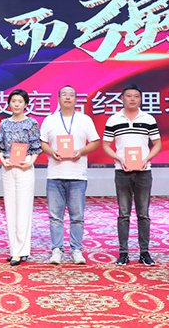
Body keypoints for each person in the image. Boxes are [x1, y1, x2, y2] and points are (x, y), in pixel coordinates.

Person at [101, 84, 161, 266]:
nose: (132, 99)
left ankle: (144, 252)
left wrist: (146, 159)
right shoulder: (113, 120)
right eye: (129, 96)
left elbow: (157, 144)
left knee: (143, 214)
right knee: (123, 214)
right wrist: (119, 159)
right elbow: (106, 145)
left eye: (136, 96)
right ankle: (123, 253)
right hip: (122, 171)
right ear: (122, 98)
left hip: (144, 171)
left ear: (141, 99)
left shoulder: (148, 119)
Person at [41, 85, 100, 265]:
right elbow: (43, 143)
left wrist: (81, 151)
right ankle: (57, 249)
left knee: (77, 216)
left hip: (77, 175)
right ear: (58, 99)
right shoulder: (49, 120)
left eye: (71, 95)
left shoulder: (85, 119)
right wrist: (52, 152)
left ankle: (76, 250)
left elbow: (95, 142)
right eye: (64, 95)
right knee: (55, 216)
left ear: (76, 99)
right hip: (55, 174)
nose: (68, 97)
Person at [0, 89, 42, 266]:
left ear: (26, 104)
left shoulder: (31, 123)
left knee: (24, 208)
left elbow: (36, 147)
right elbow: (0, 147)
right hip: (8, 166)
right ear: (9, 103)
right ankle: (14, 250)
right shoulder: (3, 123)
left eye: (20, 101)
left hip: (25, 165)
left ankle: (21, 251)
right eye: (13, 101)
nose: (16, 104)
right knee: (10, 208)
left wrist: (30, 163)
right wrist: (3, 161)